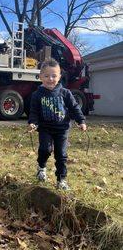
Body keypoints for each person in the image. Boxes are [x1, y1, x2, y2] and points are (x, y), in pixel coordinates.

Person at [28, 58, 87, 190]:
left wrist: (81, 121)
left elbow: (74, 108)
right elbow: (34, 112)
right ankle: (41, 167)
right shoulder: (37, 95)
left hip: (62, 129)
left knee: (61, 154)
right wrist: (33, 123)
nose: (50, 79)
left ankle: (61, 180)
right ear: (40, 77)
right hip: (45, 129)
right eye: (47, 76)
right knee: (45, 149)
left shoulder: (65, 93)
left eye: (54, 76)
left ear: (59, 76)